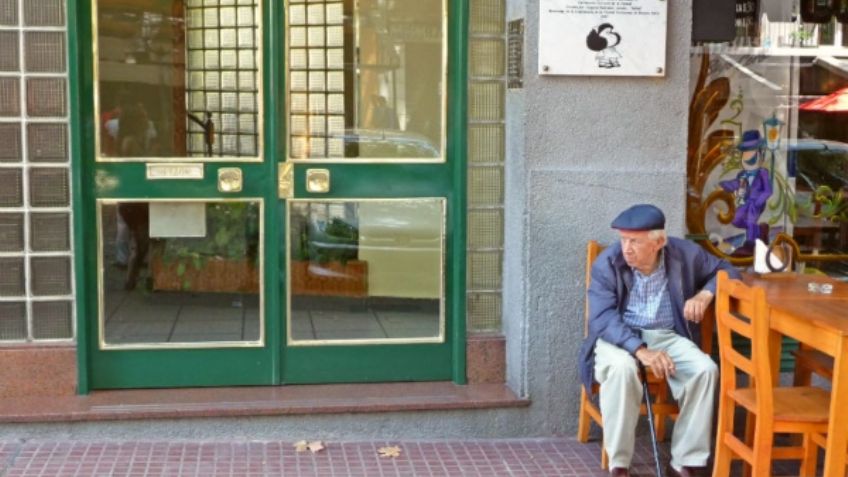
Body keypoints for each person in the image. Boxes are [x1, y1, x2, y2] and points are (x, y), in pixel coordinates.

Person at [577, 204, 740, 477]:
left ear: (659, 242)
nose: (626, 248)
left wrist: (705, 295)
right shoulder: (608, 262)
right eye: (623, 239)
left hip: (666, 335)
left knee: (705, 370)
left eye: (635, 242)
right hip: (619, 337)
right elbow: (602, 319)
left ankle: (683, 462)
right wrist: (640, 350)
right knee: (621, 369)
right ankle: (620, 465)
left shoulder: (685, 254)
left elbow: (727, 270)